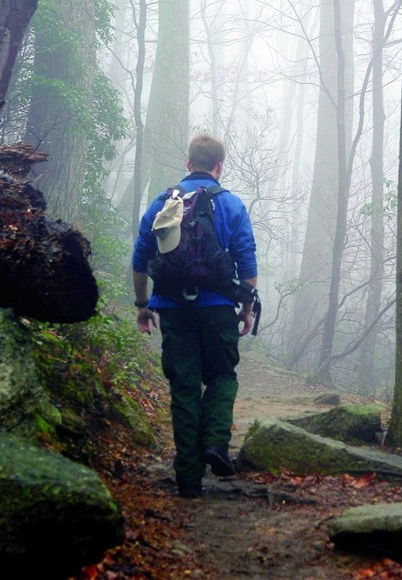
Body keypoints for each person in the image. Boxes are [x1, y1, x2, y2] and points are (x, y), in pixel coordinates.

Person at [132, 133, 258, 499]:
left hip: (172, 307)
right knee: (221, 374)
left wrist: (143, 305)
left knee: (184, 388)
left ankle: (188, 480)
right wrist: (247, 308)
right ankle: (215, 443)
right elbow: (246, 260)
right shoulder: (230, 204)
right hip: (218, 307)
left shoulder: (162, 201)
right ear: (219, 167)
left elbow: (141, 259)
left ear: (188, 164)